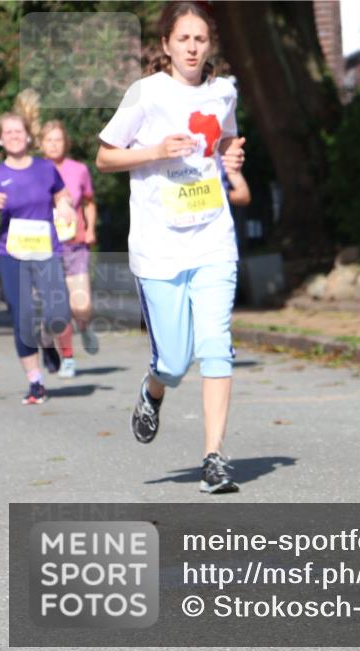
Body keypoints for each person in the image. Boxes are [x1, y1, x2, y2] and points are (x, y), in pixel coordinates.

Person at [96, 1, 246, 493]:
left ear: (211, 45)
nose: (192, 47)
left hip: (213, 239)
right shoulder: (147, 95)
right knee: (175, 362)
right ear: (166, 45)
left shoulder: (223, 92)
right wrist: (155, 151)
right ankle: (153, 389)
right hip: (159, 247)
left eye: (200, 39)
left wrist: (231, 156)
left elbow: (223, 141)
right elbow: (105, 157)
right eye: (183, 38)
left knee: (216, 346)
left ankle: (214, 458)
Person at [0, 91, 77, 404]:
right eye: (7, 133)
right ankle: (35, 382)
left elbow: (62, 196)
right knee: (21, 316)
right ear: (1, 140)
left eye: (18, 131)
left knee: (58, 313)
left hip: (46, 250)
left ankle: (49, 341)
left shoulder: (44, 169)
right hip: (11, 254)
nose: (14, 137)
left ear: (28, 136)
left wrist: (66, 207)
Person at [40, 119, 101, 378]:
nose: (54, 144)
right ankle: (68, 358)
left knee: (81, 304)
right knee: (59, 306)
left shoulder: (79, 170)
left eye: (58, 139)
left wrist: (90, 229)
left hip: (75, 244)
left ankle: (85, 326)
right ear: (41, 144)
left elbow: (88, 202)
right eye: (49, 140)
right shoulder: (34, 171)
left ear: (66, 143)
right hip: (45, 247)